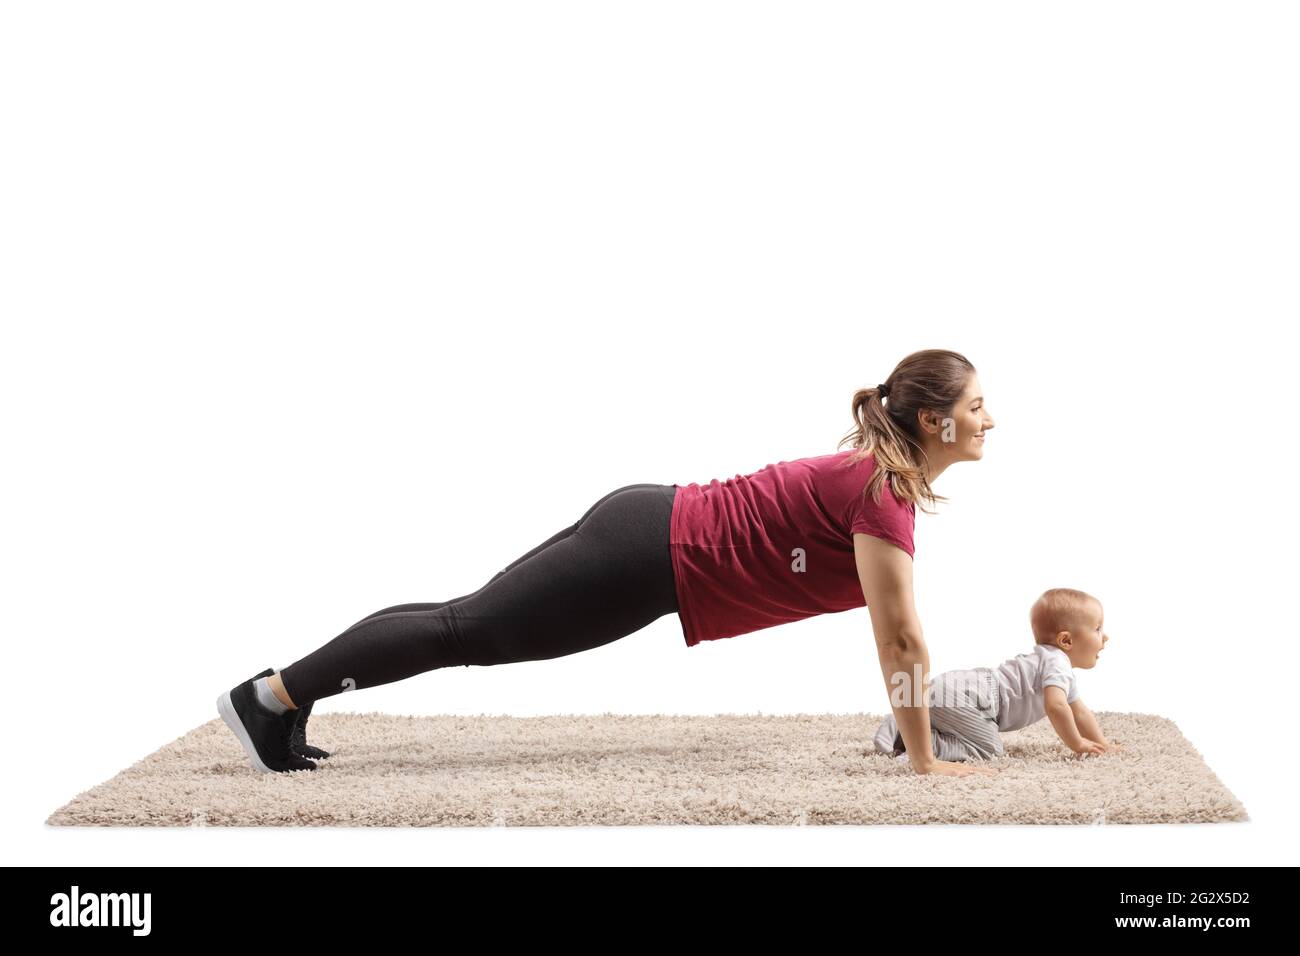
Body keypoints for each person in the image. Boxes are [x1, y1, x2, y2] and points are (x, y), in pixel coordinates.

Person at [217, 347, 999, 779]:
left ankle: (284, 701)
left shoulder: (877, 480)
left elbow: (898, 637)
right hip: (651, 556)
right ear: (934, 420)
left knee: (465, 617)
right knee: (466, 631)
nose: (988, 420)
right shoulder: (882, 495)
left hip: (647, 529)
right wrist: (924, 758)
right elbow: (901, 641)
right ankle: (272, 697)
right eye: (974, 408)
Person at [873, 588, 1118, 762]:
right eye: (1097, 629)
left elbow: (1080, 712)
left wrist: (1101, 744)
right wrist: (1077, 743)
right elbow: (1056, 707)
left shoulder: (1052, 663)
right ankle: (921, 745)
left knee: (955, 721)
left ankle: (905, 722)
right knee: (988, 751)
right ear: (1066, 640)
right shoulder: (1057, 663)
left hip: (958, 687)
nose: (1104, 636)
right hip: (974, 698)